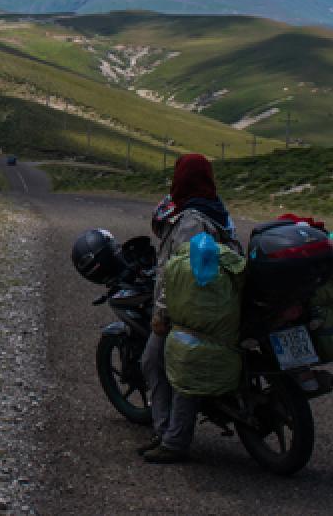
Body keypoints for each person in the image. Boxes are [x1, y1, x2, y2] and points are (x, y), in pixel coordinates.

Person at [139, 153, 239, 464]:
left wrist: (162, 312)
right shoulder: (217, 210)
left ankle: (171, 438)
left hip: (190, 309)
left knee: (162, 364)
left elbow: (178, 271)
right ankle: (171, 433)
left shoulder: (191, 219)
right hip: (217, 305)